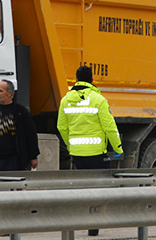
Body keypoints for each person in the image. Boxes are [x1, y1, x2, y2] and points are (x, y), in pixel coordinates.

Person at [57, 65, 123, 236]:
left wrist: (71, 146)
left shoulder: (65, 100)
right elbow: (110, 127)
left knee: (84, 188)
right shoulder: (98, 99)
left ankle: (85, 219)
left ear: (76, 79)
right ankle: (93, 225)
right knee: (99, 189)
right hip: (96, 154)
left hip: (77, 154)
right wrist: (118, 148)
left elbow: (61, 127)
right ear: (92, 80)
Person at [0, 79, 40, 172]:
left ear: (10, 93)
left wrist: (33, 156)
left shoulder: (19, 111)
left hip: (14, 159)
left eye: (0, 91)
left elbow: (30, 134)